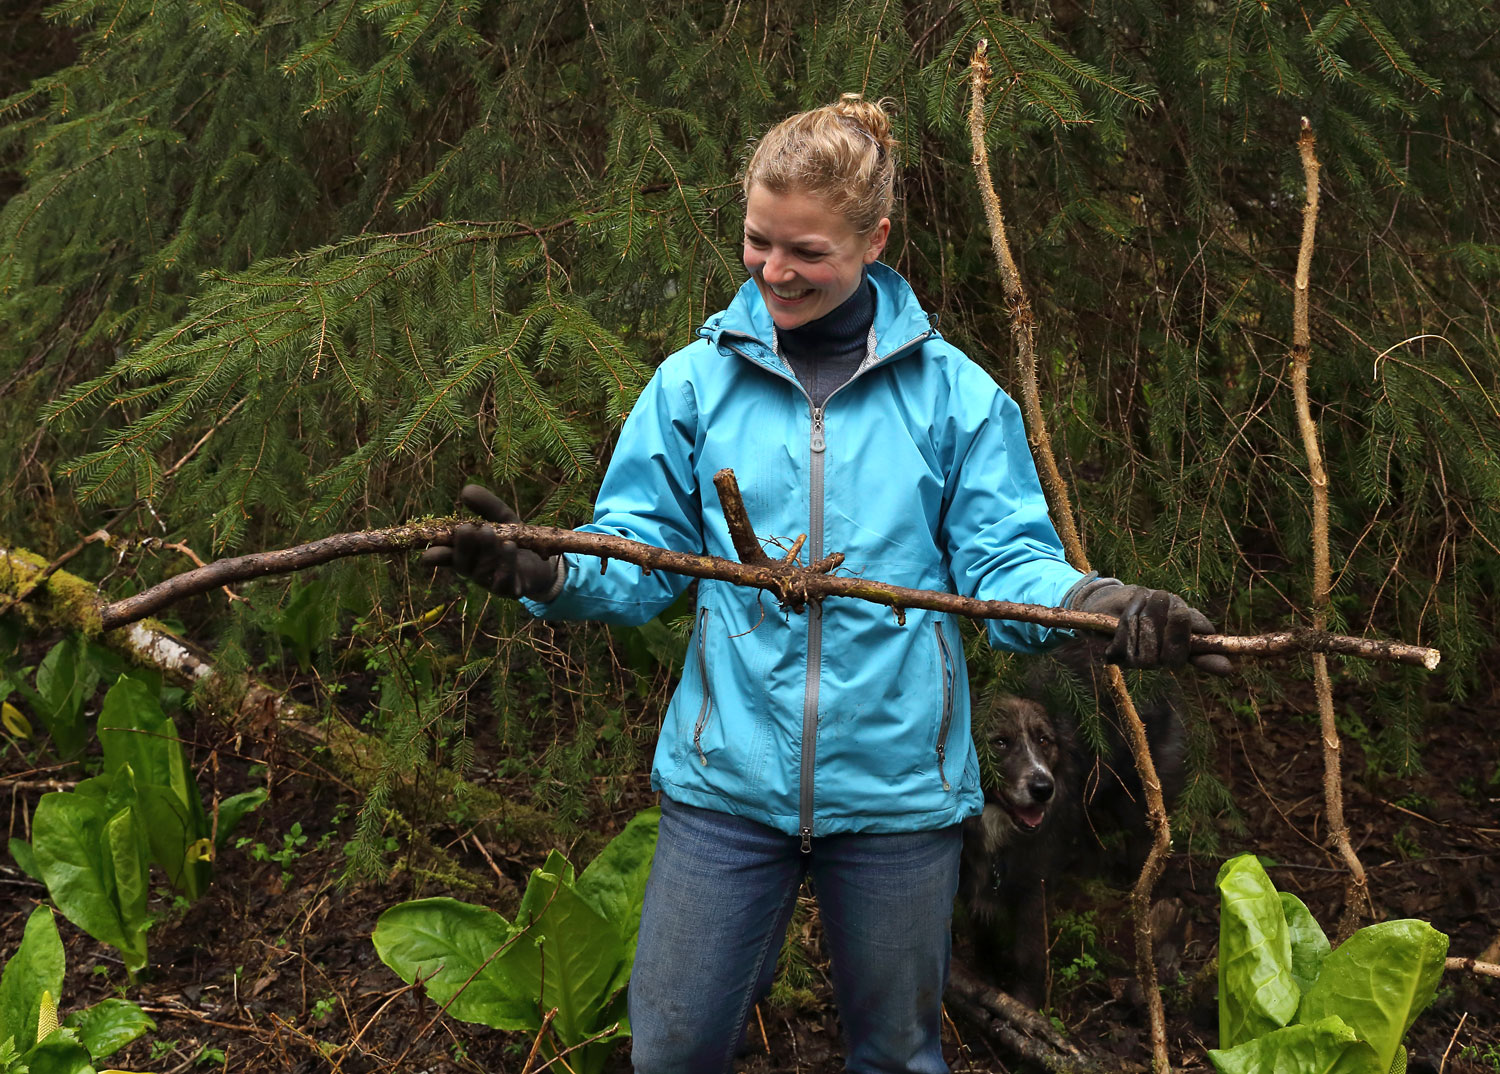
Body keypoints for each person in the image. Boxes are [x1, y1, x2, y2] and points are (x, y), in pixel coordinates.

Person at [424, 94, 1230, 1074]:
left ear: (875, 238)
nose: (772, 270)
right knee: (671, 1046)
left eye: (804, 250)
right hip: (727, 782)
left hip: (897, 791)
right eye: (758, 241)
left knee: (896, 1054)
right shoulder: (692, 385)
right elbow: (637, 548)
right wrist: (546, 568)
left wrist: (1101, 606)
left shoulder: (955, 399)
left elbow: (1006, 560)